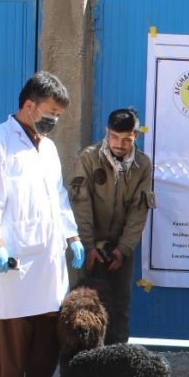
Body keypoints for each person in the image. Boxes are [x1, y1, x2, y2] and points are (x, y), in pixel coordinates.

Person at [0, 71, 84, 377]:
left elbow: (58, 196)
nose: (55, 120)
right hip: (14, 257)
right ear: (29, 105)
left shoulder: (47, 148)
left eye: (59, 115)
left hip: (49, 257)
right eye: (51, 112)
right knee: (12, 333)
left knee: (47, 330)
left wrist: (72, 237)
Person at [68, 108, 154, 344]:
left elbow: (139, 211)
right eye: (114, 137)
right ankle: (83, 361)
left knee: (119, 305)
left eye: (126, 139)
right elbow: (81, 205)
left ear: (135, 135)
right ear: (107, 132)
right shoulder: (88, 158)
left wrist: (124, 249)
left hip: (120, 249)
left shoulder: (143, 165)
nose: (119, 144)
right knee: (84, 304)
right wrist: (88, 246)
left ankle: (117, 361)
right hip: (88, 247)